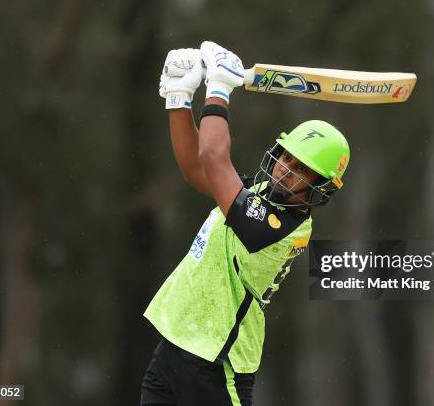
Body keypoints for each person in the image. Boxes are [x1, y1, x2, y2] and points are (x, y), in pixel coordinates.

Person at [140, 41, 350, 406]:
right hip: (173, 348)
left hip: (219, 365)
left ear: (321, 187)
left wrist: (219, 90)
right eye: (288, 158)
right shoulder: (257, 193)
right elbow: (197, 168)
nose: (287, 169)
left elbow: (212, 155)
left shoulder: (285, 228)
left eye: (303, 170)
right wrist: (178, 95)